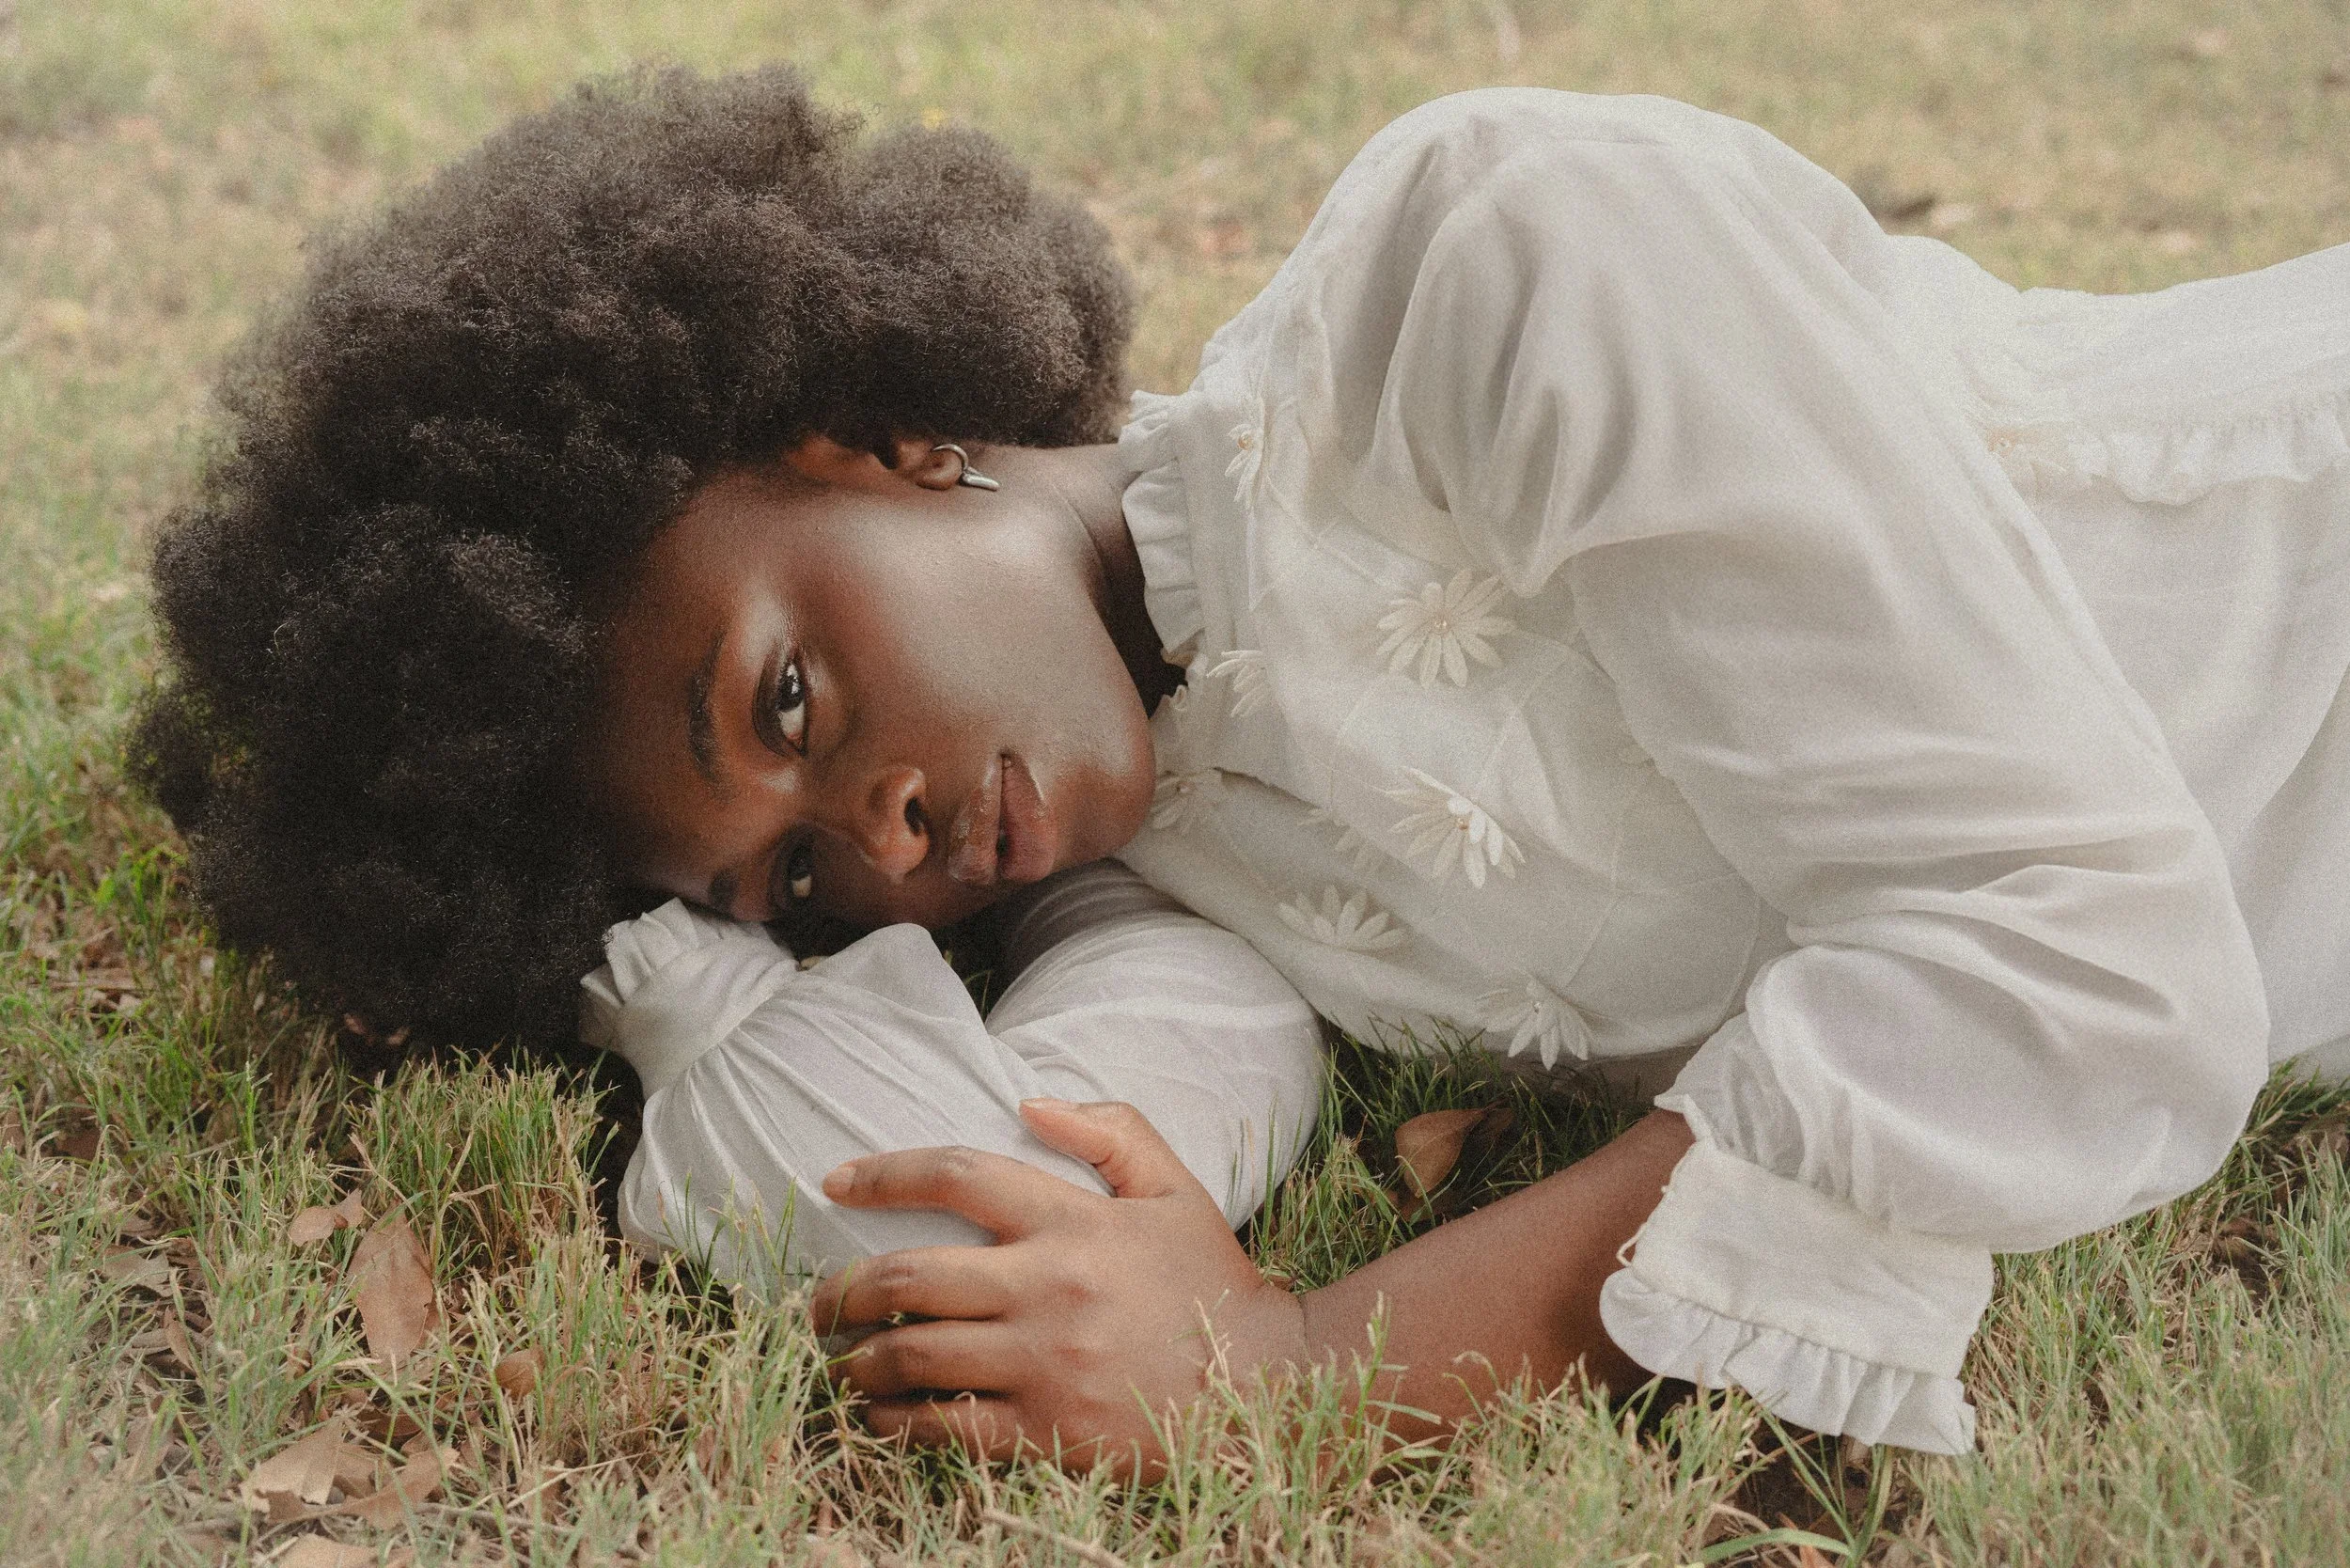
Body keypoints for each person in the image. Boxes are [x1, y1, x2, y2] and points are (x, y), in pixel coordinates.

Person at [137, 63, 2350, 1471]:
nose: (879, 851)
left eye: (785, 703)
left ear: (871, 437)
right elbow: (1058, 1142)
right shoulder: (1147, 884)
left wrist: (1300, 1363)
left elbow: (2093, 974)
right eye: (792, 886)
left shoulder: (1488, 266)